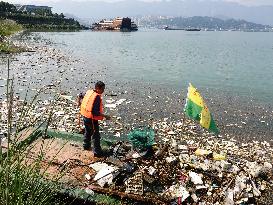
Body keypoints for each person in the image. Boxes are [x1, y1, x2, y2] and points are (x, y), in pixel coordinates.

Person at [79, 81, 111, 157]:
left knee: (87, 131)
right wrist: (105, 116)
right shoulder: (96, 97)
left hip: (85, 115)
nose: (103, 91)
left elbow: (80, 95)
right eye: (102, 89)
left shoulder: (89, 92)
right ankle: (97, 152)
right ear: (97, 88)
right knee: (95, 135)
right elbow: (95, 112)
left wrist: (79, 103)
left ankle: (86, 146)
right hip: (91, 118)